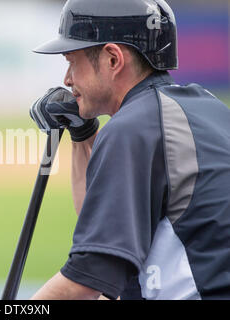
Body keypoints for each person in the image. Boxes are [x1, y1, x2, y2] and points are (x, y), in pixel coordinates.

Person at [29, 0, 230, 300]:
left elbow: (89, 278)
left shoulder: (132, 127)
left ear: (113, 59)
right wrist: (83, 132)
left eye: (72, 61)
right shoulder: (209, 107)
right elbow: (105, 230)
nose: (67, 80)